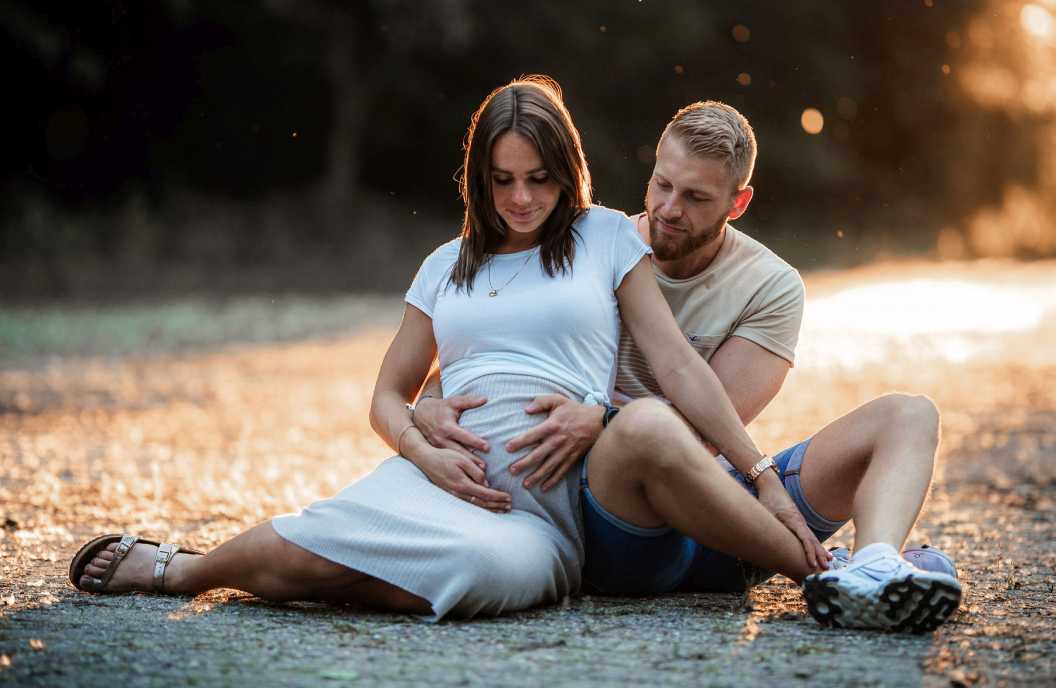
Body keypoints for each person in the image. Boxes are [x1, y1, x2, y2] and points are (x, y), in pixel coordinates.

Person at [68, 76, 825, 621]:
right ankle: (180, 570)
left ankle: (323, 582)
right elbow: (386, 396)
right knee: (311, 541)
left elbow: (677, 366)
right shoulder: (443, 265)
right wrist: (421, 449)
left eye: (538, 179)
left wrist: (756, 469)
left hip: (537, 516)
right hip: (436, 480)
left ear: (567, 175)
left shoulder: (605, 237)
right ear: (477, 179)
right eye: (501, 180)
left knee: (480, 572)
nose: (521, 199)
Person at [415, 100, 963, 632]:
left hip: (719, 506)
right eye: (662, 184)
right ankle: (843, 573)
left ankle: (874, 568)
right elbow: (489, 354)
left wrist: (604, 420)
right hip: (620, 517)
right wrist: (433, 404)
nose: (669, 209)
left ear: (738, 202)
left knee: (909, 415)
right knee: (642, 432)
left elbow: (704, 433)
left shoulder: (770, 286)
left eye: (696, 197)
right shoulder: (594, 247)